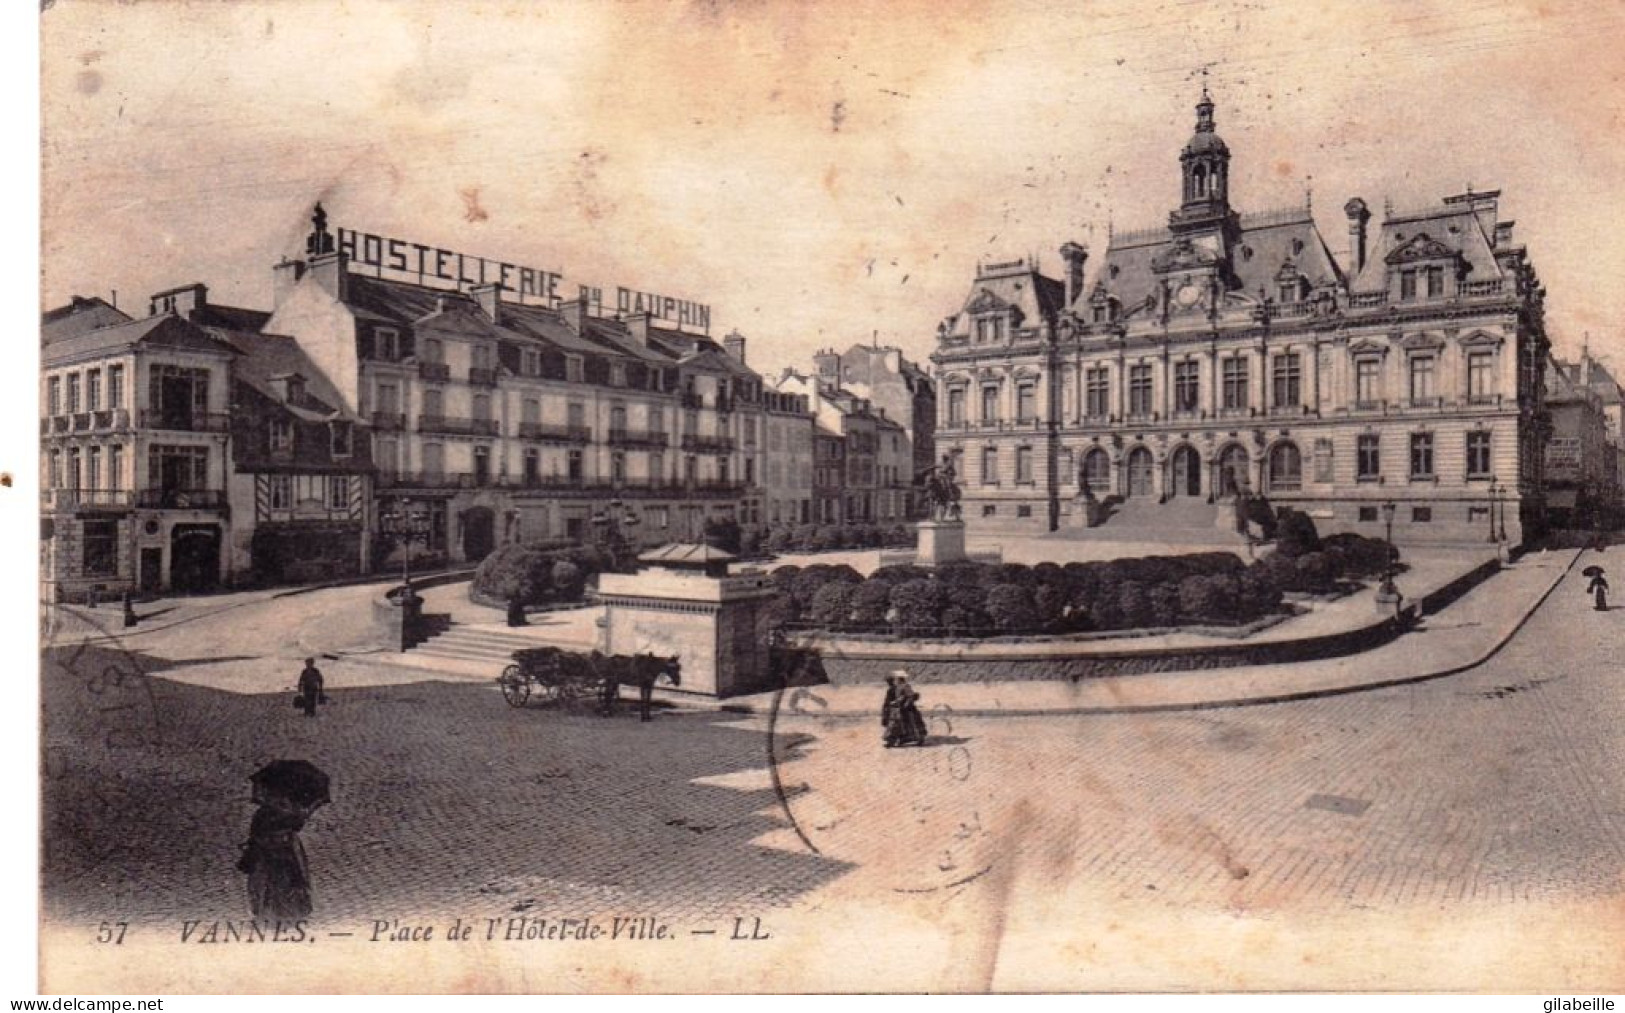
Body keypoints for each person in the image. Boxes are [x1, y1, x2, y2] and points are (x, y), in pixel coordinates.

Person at [239, 795, 313, 920]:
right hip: (284, 855)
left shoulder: (262, 813)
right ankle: (288, 911)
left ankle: (271, 911)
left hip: (271, 855)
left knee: (270, 884)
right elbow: (297, 826)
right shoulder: (290, 812)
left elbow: (254, 835)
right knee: (286, 882)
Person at [886, 672, 929, 748]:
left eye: (897, 679)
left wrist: (905, 704)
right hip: (900, 708)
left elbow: (910, 696)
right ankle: (895, 740)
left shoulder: (906, 686)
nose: (896, 680)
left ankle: (918, 738)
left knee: (911, 723)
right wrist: (896, 702)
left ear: (900, 679)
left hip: (907, 709)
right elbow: (900, 697)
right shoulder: (897, 686)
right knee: (897, 724)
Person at [880, 674, 901, 746]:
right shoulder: (895, 688)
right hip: (892, 707)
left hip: (892, 708)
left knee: (892, 725)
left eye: (888, 681)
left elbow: (889, 700)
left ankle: (891, 741)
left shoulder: (891, 689)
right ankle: (895, 740)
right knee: (893, 725)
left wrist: (887, 706)